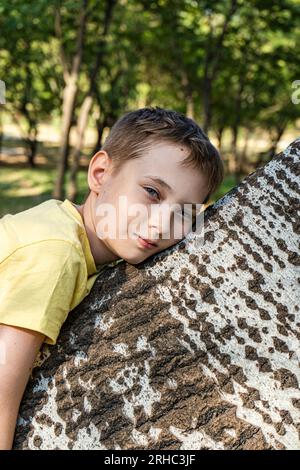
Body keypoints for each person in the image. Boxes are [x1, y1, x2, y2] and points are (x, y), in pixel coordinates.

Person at [0, 106, 224, 449]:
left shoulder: (62, 228)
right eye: (152, 192)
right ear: (101, 173)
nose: (162, 223)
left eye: (183, 213)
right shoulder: (56, 254)